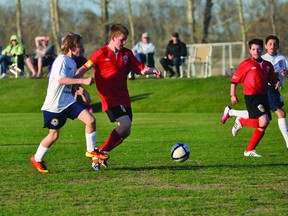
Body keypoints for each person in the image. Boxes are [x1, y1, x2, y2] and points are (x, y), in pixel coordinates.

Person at [75, 24, 161, 170]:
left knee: (126, 130)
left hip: (124, 97)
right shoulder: (99, 54)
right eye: (122, 40)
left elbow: (141, 69)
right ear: (113, 38)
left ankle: (100, 153)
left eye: (125, 39)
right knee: (125, 124)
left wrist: (153, 71)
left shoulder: (127, 54)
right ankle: (99, 154)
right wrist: (74, 82)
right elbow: (84, 69)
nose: (124, 43)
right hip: (109, 98)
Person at [30, 33, 109, 174]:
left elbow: (69, 81)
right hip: (54, 105)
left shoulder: (72, 62)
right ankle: (37, 158)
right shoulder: (62, 60)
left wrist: (78, 88)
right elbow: (60, 80)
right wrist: (82, 81)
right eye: (80, 46)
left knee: (90, 120)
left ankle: (91, 151)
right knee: (53, 135)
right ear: (71, 47)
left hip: (68, 102)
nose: (82, 48)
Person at [222, 35, 288, 150]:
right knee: (267, 119)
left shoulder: (269, 64)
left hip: (266, 94)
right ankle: (241, 124)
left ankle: (249, 147)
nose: (256, 51)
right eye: (253, 49)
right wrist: (233, 94)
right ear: (250, 50)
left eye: (258, 49)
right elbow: (234, 80)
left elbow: (273, 78)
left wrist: (277, 81)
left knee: (263, 121)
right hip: (252, 95)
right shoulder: (247, 63)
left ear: (262, 49)